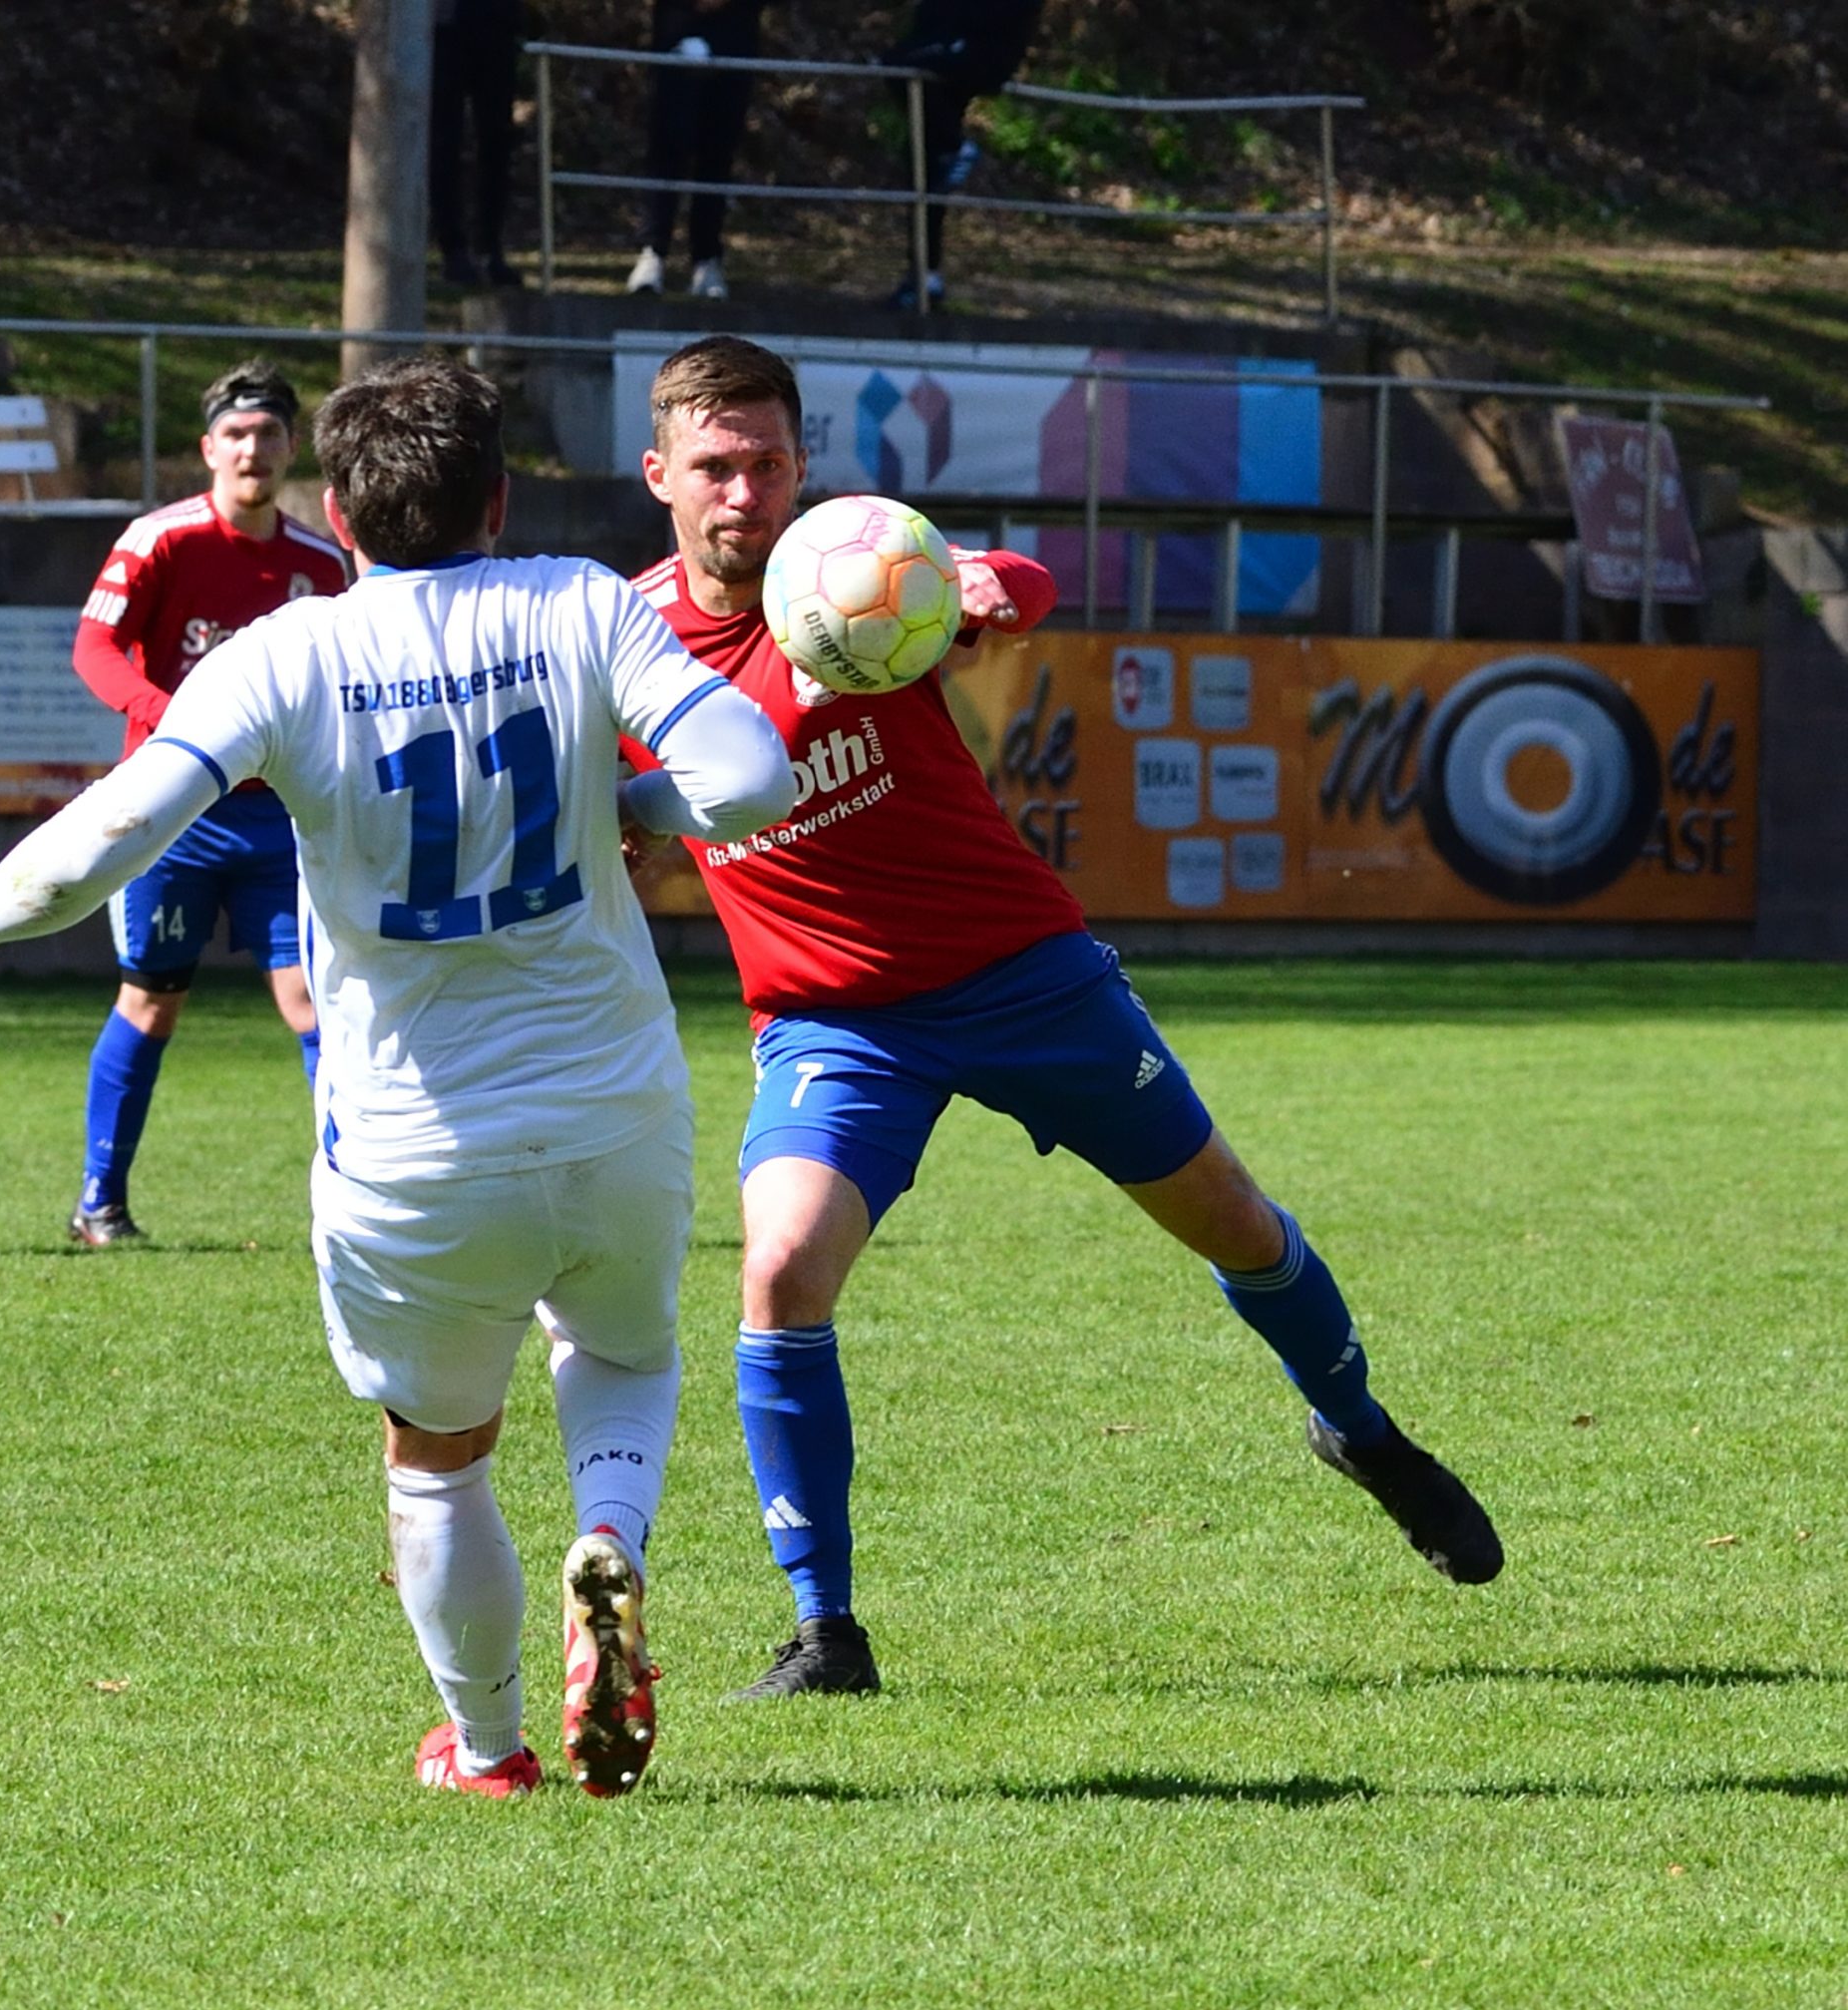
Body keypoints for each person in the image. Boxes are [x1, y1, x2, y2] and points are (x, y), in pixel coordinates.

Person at [0, 356, 796, 1797]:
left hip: (415, 1146)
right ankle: (610, 1542)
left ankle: (486, 1748)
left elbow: (105, 839)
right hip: (615, 1110)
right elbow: (751, 780)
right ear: (500, 500)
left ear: (343, 521)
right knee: (620, 1353)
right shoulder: (579, 600)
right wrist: (625, 798)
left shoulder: (285, 653)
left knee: (438, 1454)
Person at [624, 334, 1502, 1701]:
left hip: (1024, 974)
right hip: (837, 1024)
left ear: (802, 465)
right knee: (781, 1269)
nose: (746, 492)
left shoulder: (851, 567)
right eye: (716, 467)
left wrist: (987, 583)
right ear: (659, 473)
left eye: (770, 463)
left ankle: (1361, 1431)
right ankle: (826, 1633)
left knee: (1235, 1223)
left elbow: (1017, 585)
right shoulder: (619, 639)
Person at [64, 361, 349, 1249]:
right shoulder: (159, 539)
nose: (251, 449)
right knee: (151, 1001)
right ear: (208, 448)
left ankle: (354, 1198)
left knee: (312, 1001)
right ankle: (100, 1203)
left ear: (291, 449)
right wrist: (177, 724)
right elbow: (94, 648)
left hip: (275, 819)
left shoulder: (320, 564)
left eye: (268, 434)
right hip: (172, 812)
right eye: (235, 434)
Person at [880, 0, 1047, 310]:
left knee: (899, 64)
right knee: (925, 163)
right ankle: (925, 275)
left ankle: (956, 146)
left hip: (977, 50)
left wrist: (962, 36)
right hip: (947, 49)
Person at [625, 0, 770, 301]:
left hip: (735, 32)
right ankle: (653, 251)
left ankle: (707, 259)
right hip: (677, 25)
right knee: (668, 142)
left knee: (719, 147)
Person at [432, 0, 525, 288]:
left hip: (497, 22)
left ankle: (490, 248)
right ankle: (453, 249)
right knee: (444, 142)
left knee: (497, 142)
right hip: (446, 25)